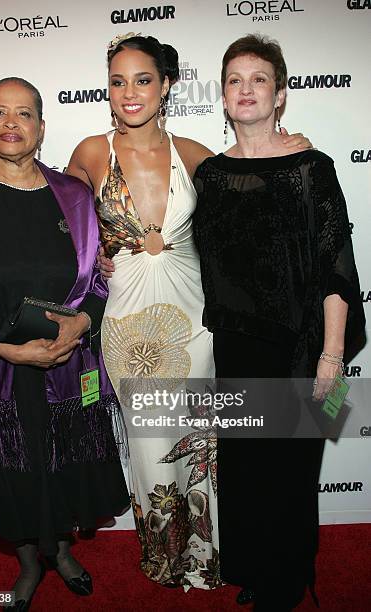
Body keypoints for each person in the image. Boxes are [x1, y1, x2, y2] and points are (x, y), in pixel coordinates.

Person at [0, 34, 311, 589]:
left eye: (142, 79)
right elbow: (44, 206)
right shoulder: (88, 153)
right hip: (128, 315)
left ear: (167, 85)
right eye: (117, 81)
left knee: (201, 439)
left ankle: (211, 553)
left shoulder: (198, 155)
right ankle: (164, 553)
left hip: (193, 313)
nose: (129, 92)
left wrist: (286, 147)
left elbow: (258, 200)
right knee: (152, 441)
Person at [192, 34, 365, 610]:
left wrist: (332, 356)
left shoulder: (311, 168)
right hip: (236, 347)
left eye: (258, 79)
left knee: (292, 475)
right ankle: (253, 570)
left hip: (304, 347)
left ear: (280, 94)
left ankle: (287, 581)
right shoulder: (211, 177)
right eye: (234, 80)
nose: (245, 89)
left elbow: (337, 264)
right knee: (244, 471)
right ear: (223, 96)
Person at [0, 77, 130, 610]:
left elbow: (99, 278)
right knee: (18, 467)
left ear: (41, 128)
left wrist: (82, 324)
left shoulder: (74, 196)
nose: (11, 123)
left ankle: (63, 551)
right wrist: (2, 349)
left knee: (68, 461)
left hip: (72, 364)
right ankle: (30, 562)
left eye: (24, 113)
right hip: (1, 367)